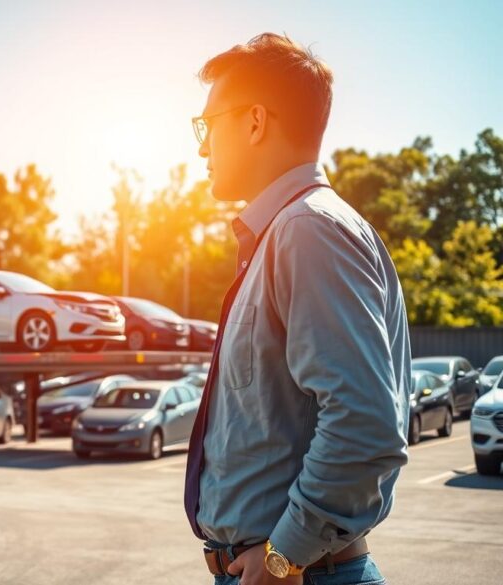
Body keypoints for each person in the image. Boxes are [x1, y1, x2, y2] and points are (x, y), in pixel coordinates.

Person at [183, 33, 411, 585]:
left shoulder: (307, 232)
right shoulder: (288, 232)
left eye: (206, 125)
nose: (201, 147)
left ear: (255, 122)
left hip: (299, 576)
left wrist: (285, 555)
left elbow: (364, 425)